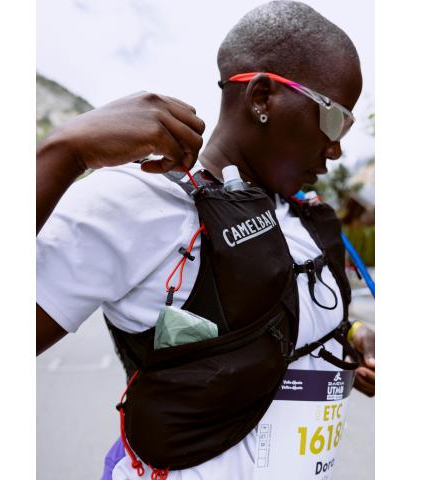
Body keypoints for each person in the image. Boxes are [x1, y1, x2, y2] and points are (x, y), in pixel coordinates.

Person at [37, 1, 375, 479]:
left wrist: (352, 333)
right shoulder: (140, 198)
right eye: (336, 119)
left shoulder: (300, 215)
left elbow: (280, 319)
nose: (337, 149)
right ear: (262, 97)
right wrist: (62, 153)